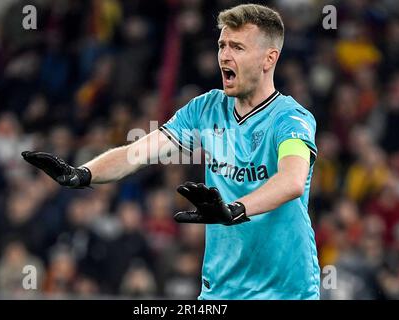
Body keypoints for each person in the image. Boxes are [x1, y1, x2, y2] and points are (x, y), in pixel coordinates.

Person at [22, 4, 320, 300]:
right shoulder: (206, 108)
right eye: (222, 45)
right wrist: (82, 173)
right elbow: (138, 152)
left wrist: (234, 210)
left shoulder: (290, 118)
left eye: (238, 47)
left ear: (269, 58)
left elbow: (292, 181)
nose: (225, 56)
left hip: (286, 291)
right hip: (221, 292)